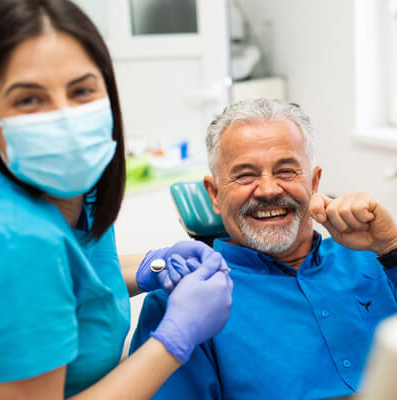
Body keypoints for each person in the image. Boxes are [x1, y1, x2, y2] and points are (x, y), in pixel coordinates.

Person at [0, 0, 233, 399]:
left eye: (81, 90)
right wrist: (174, 340)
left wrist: (150, 266)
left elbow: (74, 278)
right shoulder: (17, 238)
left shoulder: (76, 188)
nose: (64, 118)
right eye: (29, 100)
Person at [131, 98, 397, 399]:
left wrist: (392, 246)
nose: (269, 190)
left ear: (314, 182)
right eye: (245, 175)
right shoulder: (184, 299)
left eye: (286, 171)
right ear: (215, 194)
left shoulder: (378, 257)